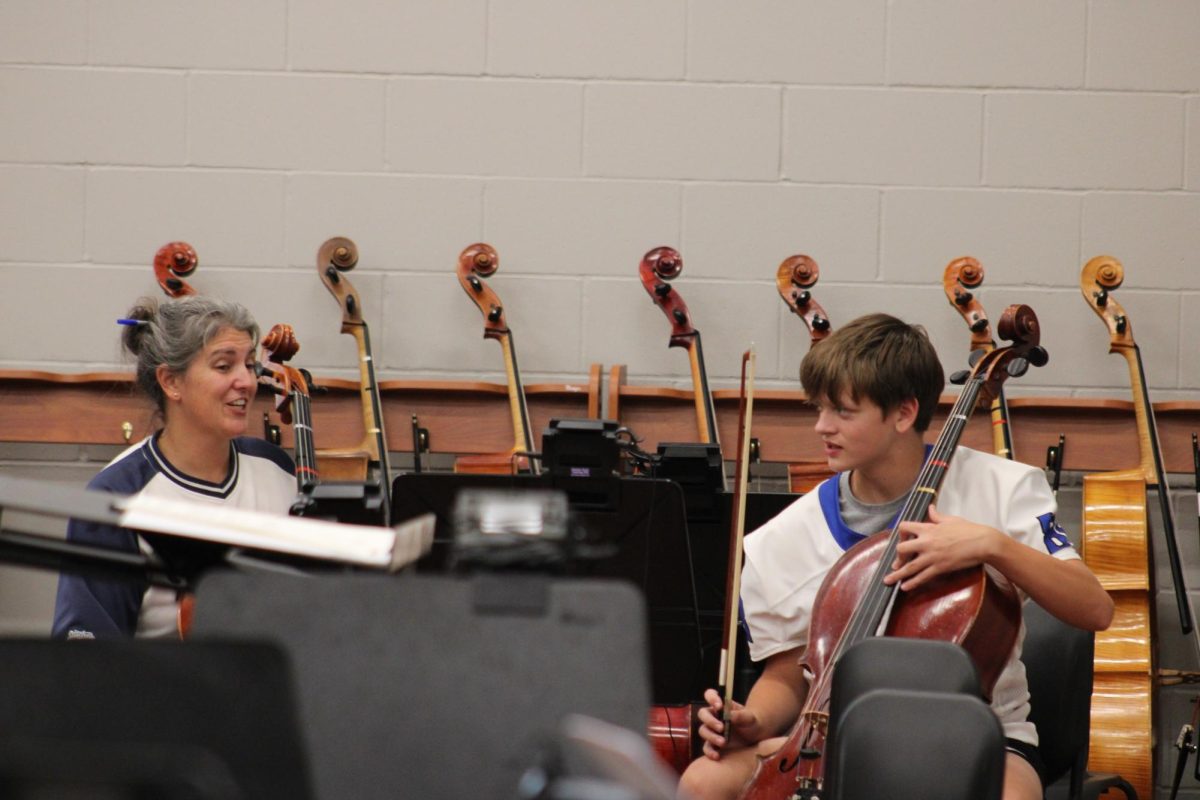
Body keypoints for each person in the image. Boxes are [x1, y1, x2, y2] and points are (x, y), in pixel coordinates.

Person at [677, 313, 1114, 800]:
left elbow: (1094, 608)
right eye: (818, 408)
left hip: (979, 738)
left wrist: (994, 545)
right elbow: (787, 673)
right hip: (833, 739)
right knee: (703, 782)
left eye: (843, 412)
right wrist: (753, 721)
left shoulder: (1003, 487)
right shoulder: (782, 537)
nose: (822, 427)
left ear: (904, 413)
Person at [52, 296, 296, 639]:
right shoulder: (116, 494)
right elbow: (89, 660)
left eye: (250, 365)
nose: (248, 381)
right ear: (171, 382)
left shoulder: (277, 468)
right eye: (224, 366)